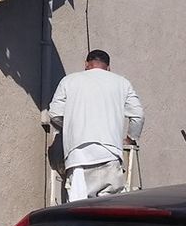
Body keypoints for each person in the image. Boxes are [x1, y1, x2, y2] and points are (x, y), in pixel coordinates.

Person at [48, 49, 145, 201]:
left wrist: (71, 129)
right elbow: (138, 115)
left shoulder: (69, 81)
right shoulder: (122, 83)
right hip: (110, 155)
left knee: (79, 212)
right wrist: (130, 139)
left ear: (86, 64)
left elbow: (54, 114)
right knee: (110, 212)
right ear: (108, 67)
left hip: (78, 157)